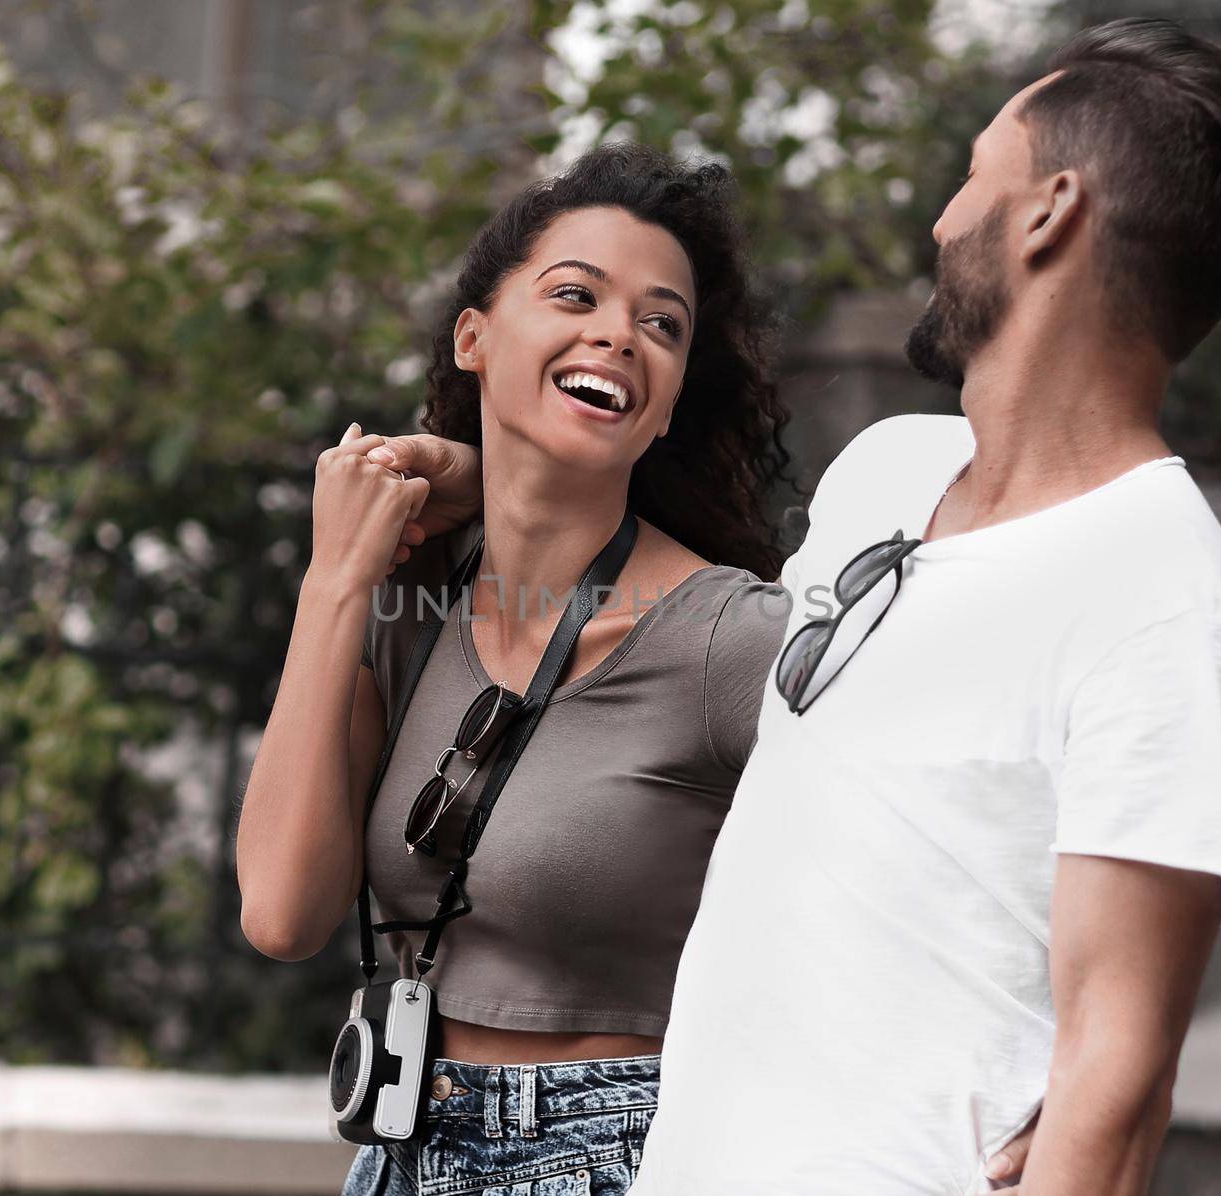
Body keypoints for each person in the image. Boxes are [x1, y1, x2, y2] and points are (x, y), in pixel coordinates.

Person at [386, 17, 1221, 1195]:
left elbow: (1113, 1087)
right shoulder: (888, 474)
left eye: (972, 176)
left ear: (1049, 211)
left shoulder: (1164, 607)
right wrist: (498, 484)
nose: (939, 221)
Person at [235, 142, 799, 1195]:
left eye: (660, 323)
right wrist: (335, 584)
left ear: (669, 401)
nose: (616, 334)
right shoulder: (403, 601)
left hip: (620, 1152)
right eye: (575, 293)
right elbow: (280, 909)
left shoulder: (729, 635)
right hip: (401, 1150)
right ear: (474, 338)